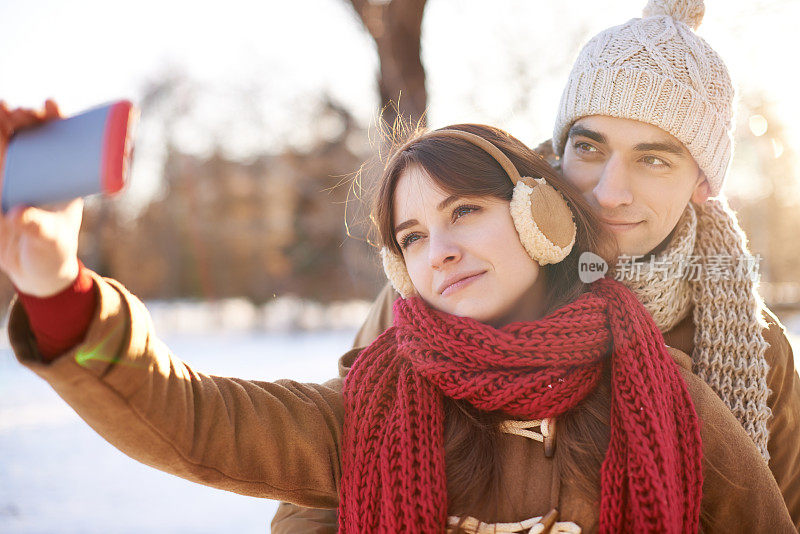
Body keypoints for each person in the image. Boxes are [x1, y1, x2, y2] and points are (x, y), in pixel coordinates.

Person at [1, 112, 794, 531]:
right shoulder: (373, 403)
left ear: (542, 216)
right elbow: (192, 421)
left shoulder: (663, 395)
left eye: (465, 212)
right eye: (412, 238)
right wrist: (59, 287)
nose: (439, 250)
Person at [273, 0, 800, 530]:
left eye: (654, 159)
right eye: (590, 148)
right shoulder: (451, 279)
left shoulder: (756, 350)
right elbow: (317, 495)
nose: (610, 192)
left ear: (703, 185)